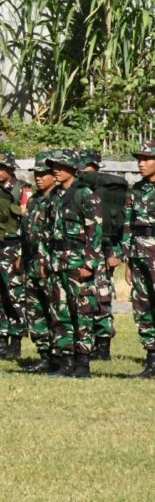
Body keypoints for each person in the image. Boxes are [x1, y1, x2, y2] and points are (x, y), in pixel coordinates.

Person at [46, 149, 103, 378]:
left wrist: (89, 264)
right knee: (60, 312)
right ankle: (66, 359)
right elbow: (48, 231)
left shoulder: (85, 195)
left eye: (60, 166)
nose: (55, 170)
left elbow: (94, 230)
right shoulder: (54, 196)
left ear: (73, 169)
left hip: (78, 261)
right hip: (57, 262)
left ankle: (83, 362)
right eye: (54, 166)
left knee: (82, 312)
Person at [78, 149, 126, 361]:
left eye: (86, 168)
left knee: (102, 299)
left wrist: (115, 253)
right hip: (81, 251)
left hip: (104, 252)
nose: (83, 172)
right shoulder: (79, 191)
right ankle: (87, 344)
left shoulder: (108, 190)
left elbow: (119, 226)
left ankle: (103, 346)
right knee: (84, 300)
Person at [0, 148, 32, 359]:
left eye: (2, 167)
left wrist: (22, 255)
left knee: (14, 296)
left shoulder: (23, 190)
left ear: (11, 168)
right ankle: (0, 341)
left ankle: (15, 342)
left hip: (14, 248)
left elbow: (28, 223)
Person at [21, 152, 60, 374]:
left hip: (51, 265)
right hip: (33, 263)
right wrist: (25, 263)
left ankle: (59, 356)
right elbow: (27, 235)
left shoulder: (58, 200)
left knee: (55, 310)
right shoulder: (35, 200)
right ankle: (44, 354)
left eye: (44, 173)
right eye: (36, 173)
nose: (39, 177)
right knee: (35, 312)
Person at [121, 141, 155, 378]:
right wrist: (128, 261)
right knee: (143, 307)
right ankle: (151, 359)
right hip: (139, 254)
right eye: (139, 159)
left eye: (146, 159)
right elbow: (128, 225)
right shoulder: (137, 189)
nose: (140, 164)